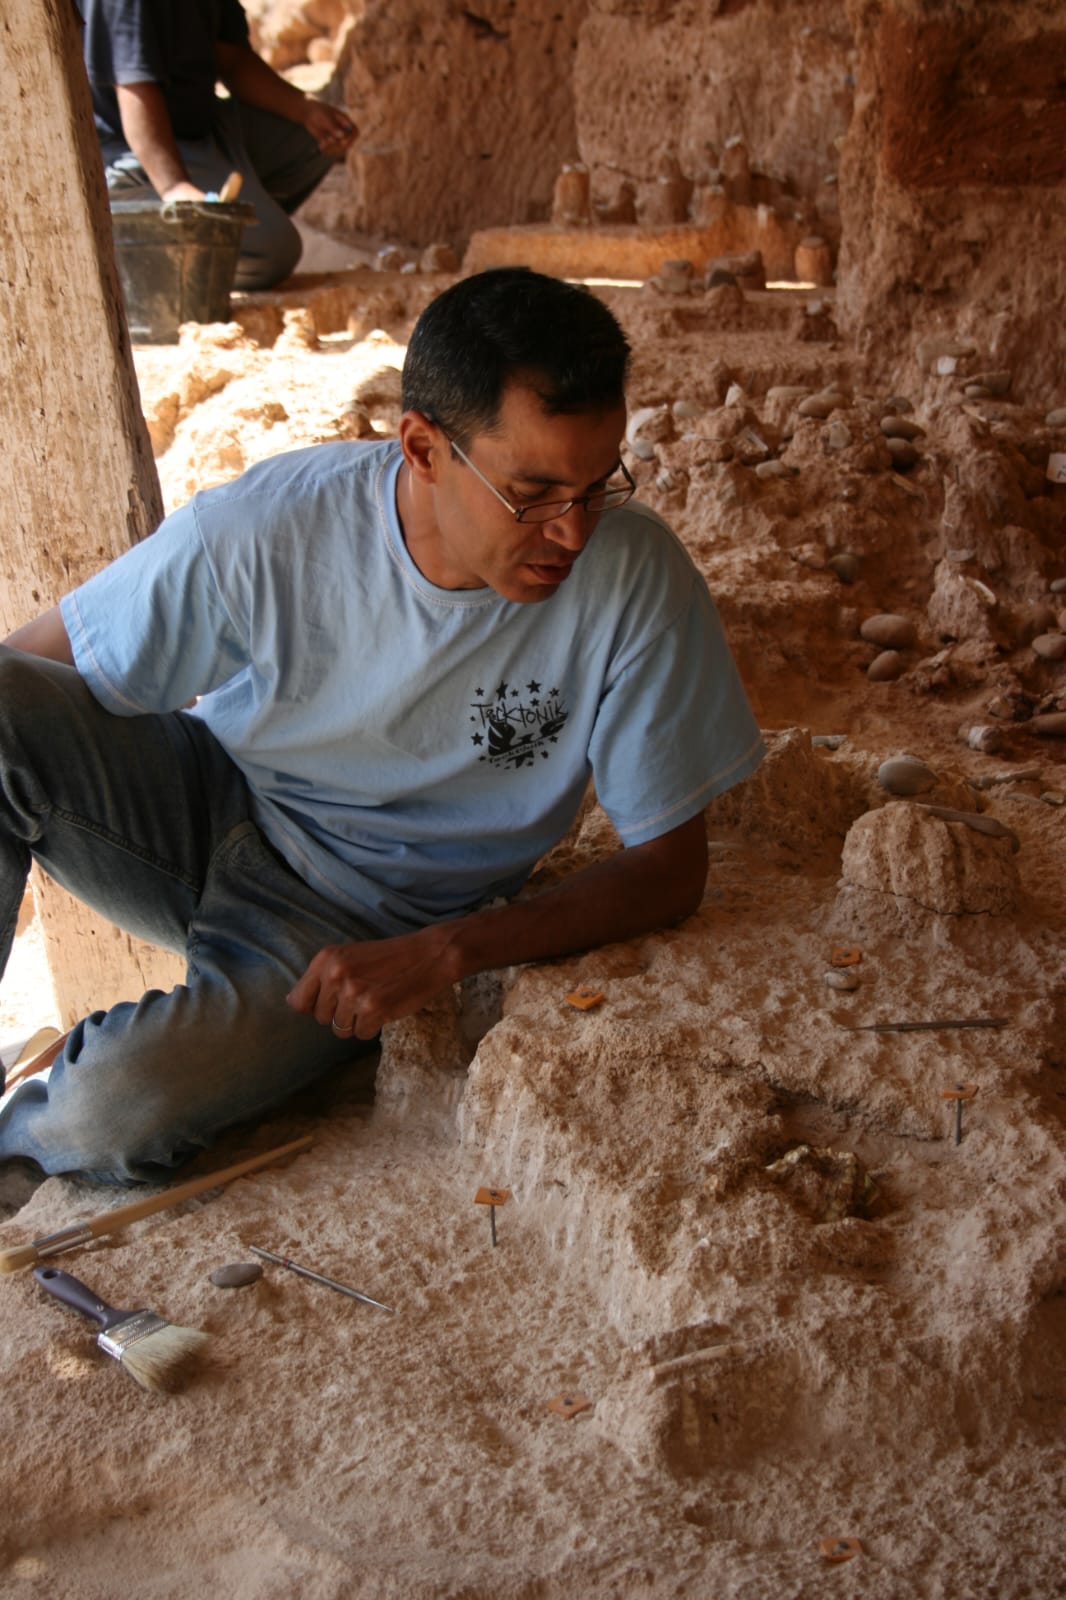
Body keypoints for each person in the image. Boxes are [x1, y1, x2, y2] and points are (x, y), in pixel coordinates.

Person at [0, 267, 763, 1185]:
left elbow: (670, 870)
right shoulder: (270, 526)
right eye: (533, 493)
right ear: (422, 448)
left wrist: (447, 951)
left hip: (351, 926)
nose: (573, 532)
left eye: (599, 486)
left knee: (108, 1110)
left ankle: (30, 1133)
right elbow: (30, 672)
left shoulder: (636, 582)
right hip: (201, 802)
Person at [81, 0, 357, 289]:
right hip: (133, 150)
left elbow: (234, 62)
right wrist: (175, 188)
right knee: (272, 253)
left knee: (311, 140)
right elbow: (135, 92)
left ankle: (217, 234)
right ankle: (138, 243)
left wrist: (305, 110)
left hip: (201, 130)